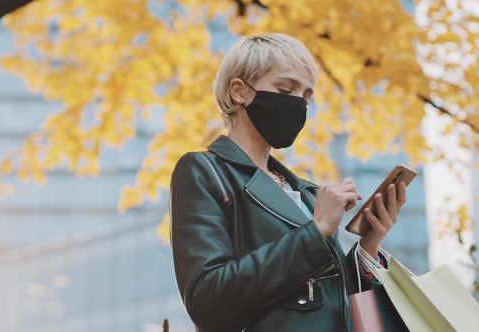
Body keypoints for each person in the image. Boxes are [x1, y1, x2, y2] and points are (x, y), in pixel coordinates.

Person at [169, 33, 407, 332]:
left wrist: (368, 246)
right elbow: (208, 300)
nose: (298, 104)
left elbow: (330, 302)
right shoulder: (204, 171)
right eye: (286, 88)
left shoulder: (305, 193)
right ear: (239, 91)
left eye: (306, 96)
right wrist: (316, 230)